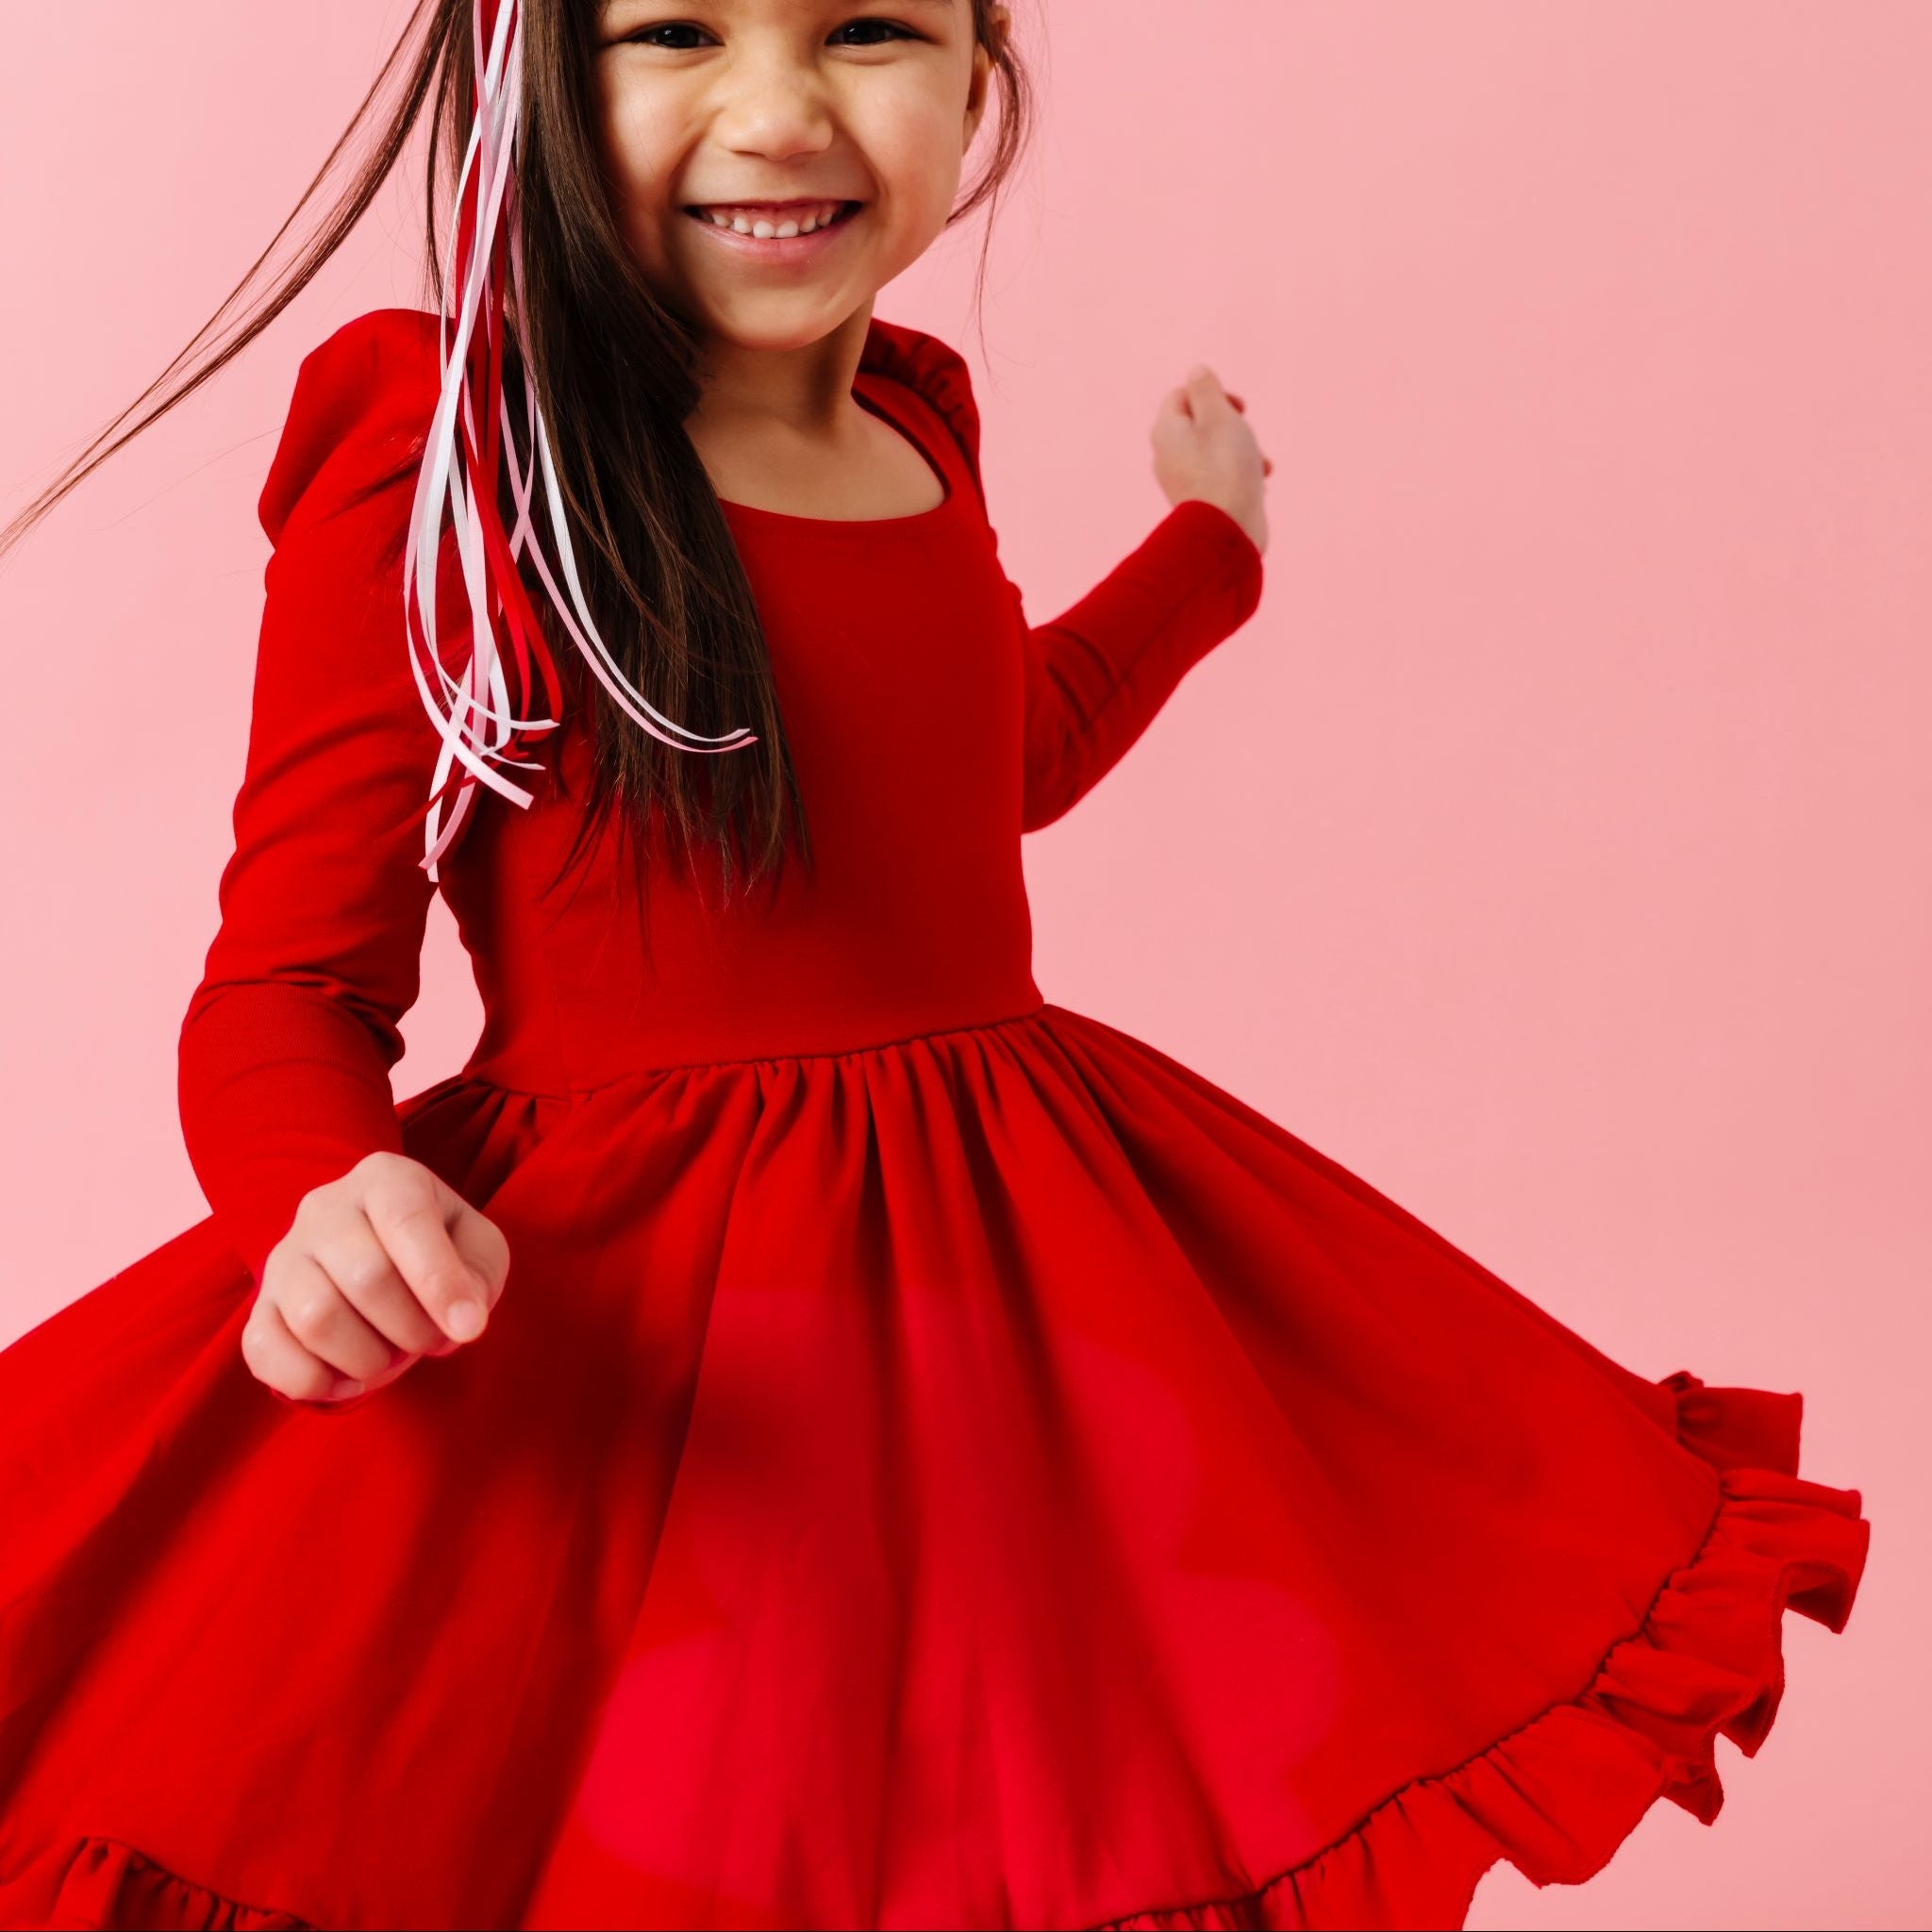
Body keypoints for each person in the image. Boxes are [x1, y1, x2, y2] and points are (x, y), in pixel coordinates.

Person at [0, 4, 1870, 1928]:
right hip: (652, 1340)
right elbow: (288, 987)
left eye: (869, 25)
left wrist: (1208, 550)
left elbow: (1000, 751)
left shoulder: (915, 416)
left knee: (1027, 1811)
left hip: (1010, 1285)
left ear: (983, 71)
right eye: (673, 31)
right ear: (535, 78)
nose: (778, 106)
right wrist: (317, 1195)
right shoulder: (460, 444)